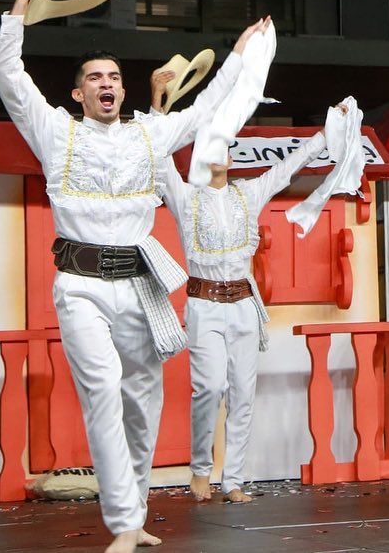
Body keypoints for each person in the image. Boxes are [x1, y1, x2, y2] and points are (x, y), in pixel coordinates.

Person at [0, 0, 267, 553]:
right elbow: (7, 72)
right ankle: (121, 522)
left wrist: (241, 54)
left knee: (143, 403)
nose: (107, 84)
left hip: (139, 285)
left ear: (122, 87)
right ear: (78, 92)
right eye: (95, 77)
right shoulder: (55, 132)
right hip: (82, 285)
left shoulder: (150, 133)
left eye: (114, 76)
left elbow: (207, 108)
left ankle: (136, 516)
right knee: (103, 389)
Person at [151, 90, 352, 504]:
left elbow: (288, 168)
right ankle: (201, 469)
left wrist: (326, 130)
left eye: (223, 145)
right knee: (209, 387)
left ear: (231, 155)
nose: (217, 152)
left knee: (243, 393)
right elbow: (159, 160)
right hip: (205, 304)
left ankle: (234, 480)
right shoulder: (186, 197)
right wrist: (159, 107)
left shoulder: (249, 193)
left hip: (243, 305)